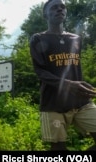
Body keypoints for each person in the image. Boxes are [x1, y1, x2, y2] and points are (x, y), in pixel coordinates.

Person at [29, 0, 96, 151]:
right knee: (58, 148)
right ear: (45, 15)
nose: (59, 9)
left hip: (81, 101)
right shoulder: (38, 39)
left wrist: (81, 84)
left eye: (62, 7)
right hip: (53, 103)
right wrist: (69, 84)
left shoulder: (76, 39)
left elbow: (74, 67)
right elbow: (40, 71)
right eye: (54, 7)